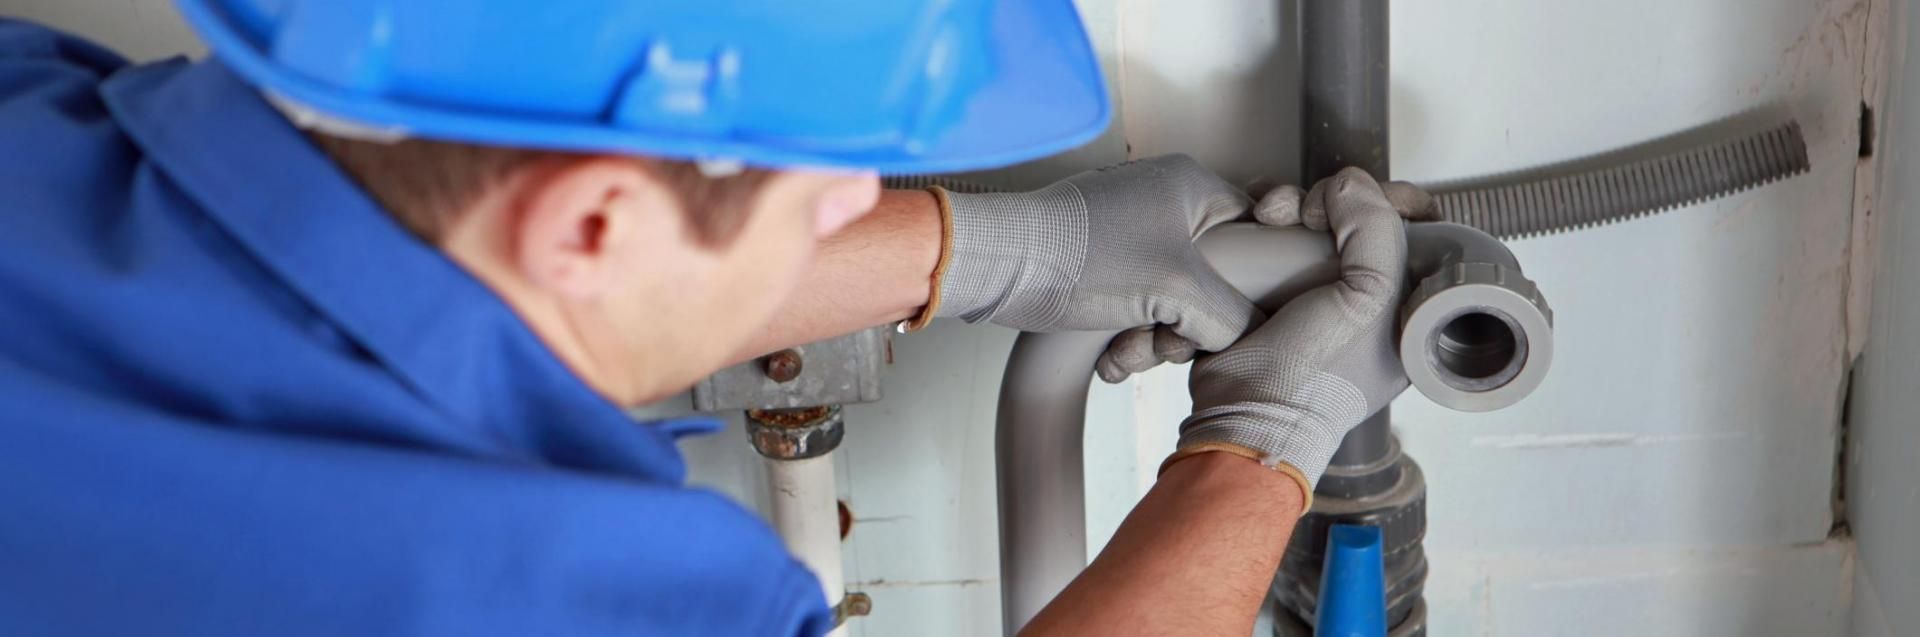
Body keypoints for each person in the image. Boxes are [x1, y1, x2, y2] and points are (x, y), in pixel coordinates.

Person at [0, 2, 1427, 635]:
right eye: (829, 183)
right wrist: (1255, 450)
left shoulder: (29, 112)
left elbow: (480, 280)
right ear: (598, 224)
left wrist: (1012, 250)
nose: (862, 196)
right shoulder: (552, 591)